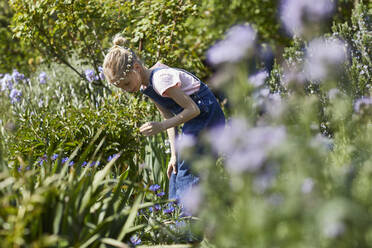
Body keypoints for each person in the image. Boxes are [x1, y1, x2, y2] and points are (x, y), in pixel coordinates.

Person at [102, 34, 225, 201]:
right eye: (121, 87)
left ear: (137, 68)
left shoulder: (160, 80)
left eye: (126, 84)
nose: (126, 89)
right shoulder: (146, 86)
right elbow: (167, 116)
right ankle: (173, 217)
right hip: (196, 120)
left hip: (206, 115)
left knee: (187, 171)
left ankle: (186, 221)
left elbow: (193, 109)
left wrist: (161, 126)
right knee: (176, 171)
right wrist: (173, 155)